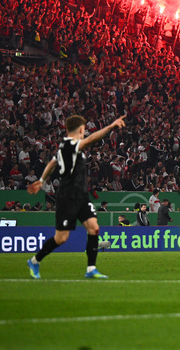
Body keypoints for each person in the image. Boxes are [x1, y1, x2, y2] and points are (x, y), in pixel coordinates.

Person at [26, 114, 126, 280]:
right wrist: (110, 127)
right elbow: (89, 140)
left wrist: (41, 180)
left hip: (81, 196)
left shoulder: (65, 148)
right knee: (61, 238)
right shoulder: (70, 145)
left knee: (93, 227)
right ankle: (35, 261)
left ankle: (91, 268)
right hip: (67, 196)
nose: (85, 133)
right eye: (84, 130)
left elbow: (52, 163)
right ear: (81, 129)